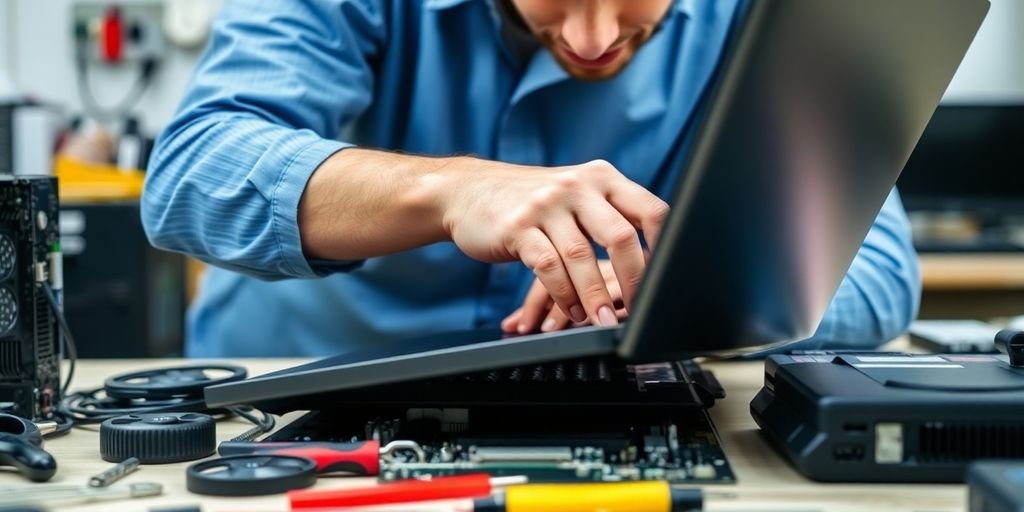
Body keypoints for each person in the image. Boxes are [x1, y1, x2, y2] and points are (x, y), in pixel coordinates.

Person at [142, 0, 921, 357]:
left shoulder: (769, 18)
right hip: (297, 394)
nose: (592, 38)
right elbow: (189, 177)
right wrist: (456, 191)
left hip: (604, 413)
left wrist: (669, 285)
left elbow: (878, 274)